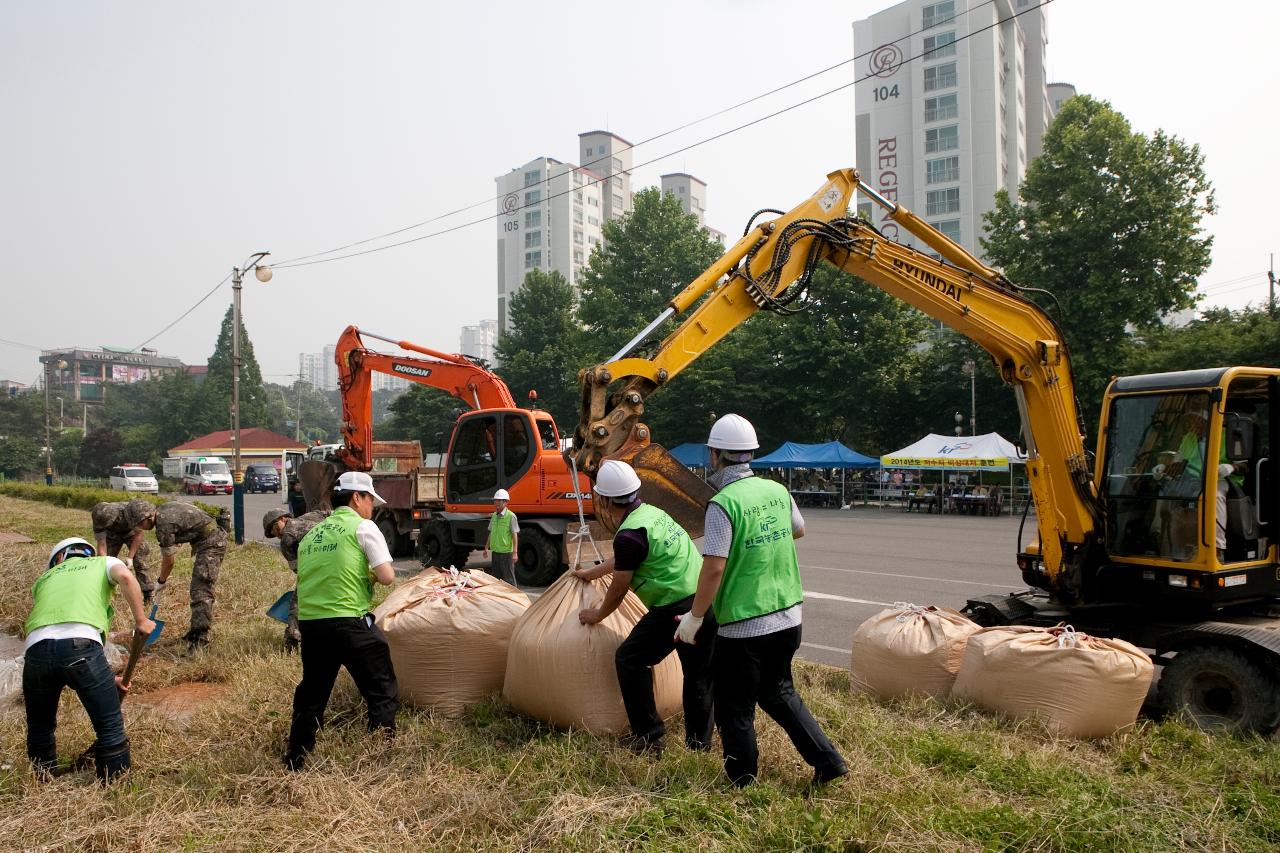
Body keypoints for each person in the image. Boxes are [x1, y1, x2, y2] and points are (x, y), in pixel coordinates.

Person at [676, 414, 847, 788]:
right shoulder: (777, 491)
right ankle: (828, 760)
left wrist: (694, 617)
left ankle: (742, 780)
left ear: (716, 454)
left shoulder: (722, 504)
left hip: (745, 624)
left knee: (735, 706)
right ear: (751, 453)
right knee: (779, 691)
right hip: (788, 615)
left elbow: (714, 569)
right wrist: (762, 547)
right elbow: (798, 530)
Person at [573, 460, 716, 754]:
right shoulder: (652, 515)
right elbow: (629, 556)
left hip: (672, 609)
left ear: (605, 499)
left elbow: (619, 587)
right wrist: (593, 573)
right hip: (704, 600)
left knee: (629, 659)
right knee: (698, 673)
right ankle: (699, 745)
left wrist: (597, 614)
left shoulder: (629, 534)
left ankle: (648, 737)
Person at [285, 471, 398, 771]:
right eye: (370, 499)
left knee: (313, 692)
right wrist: (371, 573)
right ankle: (380, 757)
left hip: (310, 625)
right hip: (348, 622)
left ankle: (296, 758)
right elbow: (387, 577)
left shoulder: (312, 534)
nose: (372, 506)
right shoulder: (363, 527)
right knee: (381, 688)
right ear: (356, 497)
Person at [23, 537, 155, 782]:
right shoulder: (103, 562)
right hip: (81, 648)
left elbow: (58, 631)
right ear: (88, 554)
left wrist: (106, 678)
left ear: (58, 559)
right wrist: (140, 619)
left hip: (35, 653)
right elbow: (126, 578)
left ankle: (43, 780)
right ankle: (114, 784)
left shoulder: (44, 579)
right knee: (109, 724)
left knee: (40, 726)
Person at [151, 501, 227, 653]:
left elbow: (169, 561)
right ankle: (194, 632)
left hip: (211, 543)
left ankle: (200, 638)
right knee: (196, 589)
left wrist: (161, 581)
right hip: (209, 538)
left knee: (201, 591)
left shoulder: (163, 526)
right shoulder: (164, 509)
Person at [263, 506, 331, 651]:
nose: (276, 534)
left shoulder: (287, 539)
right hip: (338, 562)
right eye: (272, 533)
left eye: (274, 529)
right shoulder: (312, 516)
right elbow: (331, 513)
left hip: (317, 570)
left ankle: (292, 641)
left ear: (282, 519)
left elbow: (299, 569)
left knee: (296, 606)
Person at [91, 498, 157, 604]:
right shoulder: (101, 517)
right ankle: (102, 592)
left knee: (140, 559)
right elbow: (102, 545)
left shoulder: (134, 511)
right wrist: (105, 562)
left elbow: (138, 534)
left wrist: (130, 557)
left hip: (130, 533)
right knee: (104, 563)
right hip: (112, 534)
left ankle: (148, 594)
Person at [482, 488, 519, 584]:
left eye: (499, 500)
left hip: (506, 553)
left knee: (509, 579)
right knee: (496, 579)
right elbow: (491, 532)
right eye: (495, 500)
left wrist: (515, 552)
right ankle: (499, 597)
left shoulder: (511, 516)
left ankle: (513, 597)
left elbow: (514, 534)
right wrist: (486, 548)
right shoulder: (494, 516)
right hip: (495, 552)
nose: (496, 502)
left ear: (506, 502)